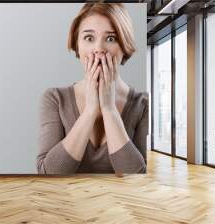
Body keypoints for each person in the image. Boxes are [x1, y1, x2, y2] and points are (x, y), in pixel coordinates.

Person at [37, 3, 148, 175]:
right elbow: (47, 173)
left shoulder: (143, 103)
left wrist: (109, 109)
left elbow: (138, 178)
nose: (98, 49)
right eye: (89, 38)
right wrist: (90, 110)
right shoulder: (54, 98)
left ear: (124, 46)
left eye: (110, 38)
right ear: (77, 46)